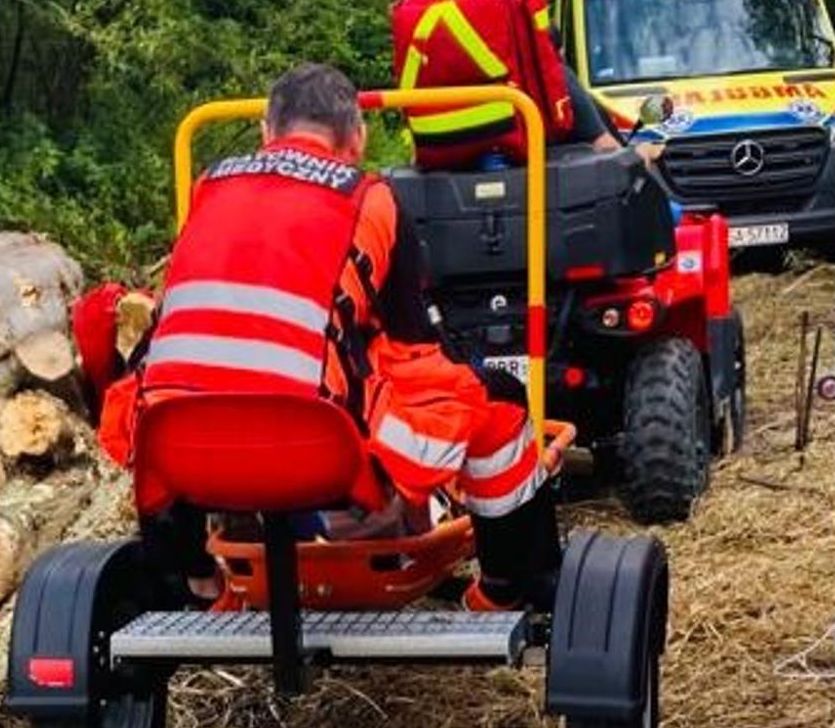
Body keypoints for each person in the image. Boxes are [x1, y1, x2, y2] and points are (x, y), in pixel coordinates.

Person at [98, 63, 563, 613]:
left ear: (267, 133)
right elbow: (414, 352)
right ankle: (506, 590)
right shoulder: (371, 198)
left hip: (182, 455)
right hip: (317, 453)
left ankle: (197, 584)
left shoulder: (210, 188)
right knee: (498, 400)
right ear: (357, 138)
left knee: (163, 392)